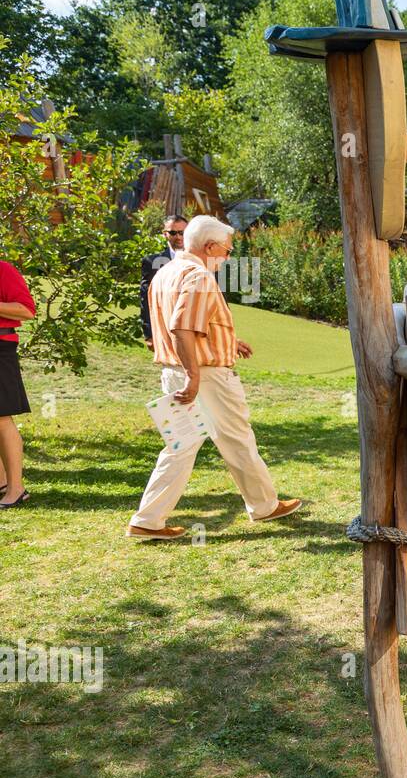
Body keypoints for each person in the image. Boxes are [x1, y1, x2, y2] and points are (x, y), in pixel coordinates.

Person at [127, 215, 301, 539]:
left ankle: (147, 520)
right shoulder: (199, 276)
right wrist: (194, 376)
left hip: (174, 371)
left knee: (180, 446)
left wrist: (228, 342)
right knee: (237, 438)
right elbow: (181, 328)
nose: (228, 257)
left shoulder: (165, 274)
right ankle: (264, 506)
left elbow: (180, 326)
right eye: (226, 250)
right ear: (209, 247)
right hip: (204, 376)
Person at [0, 260, 36, 509]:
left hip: (0, 348)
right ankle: (2, 483)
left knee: (1, 418)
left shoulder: (3, 270)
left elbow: (26, 310)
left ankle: (16, 488)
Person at [140, 214, 188, 351]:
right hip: (165, 330)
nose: (178, 237)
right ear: (165, 234)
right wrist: (149, 335)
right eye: (173, 232)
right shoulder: (151, 262)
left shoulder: (203, 261)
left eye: (182, 232)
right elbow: (145, 299)